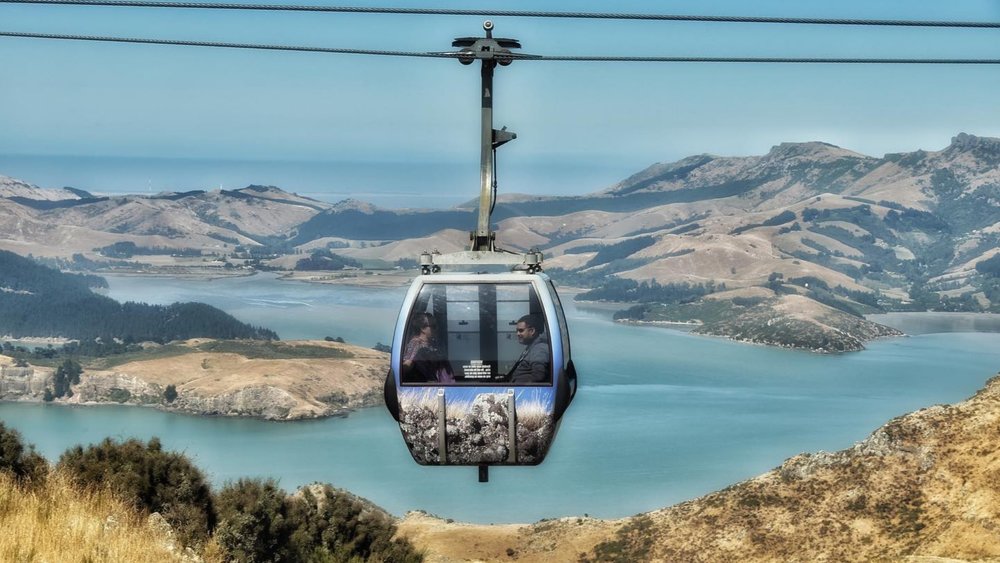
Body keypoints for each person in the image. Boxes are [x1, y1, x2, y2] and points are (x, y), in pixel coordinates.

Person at [402, 313, 455, 383]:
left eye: (436, 326)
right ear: (422, 328)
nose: (436, 329)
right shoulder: (416, 342)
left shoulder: (432, 343)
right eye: (433, 326)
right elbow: (407, 364)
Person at [508, 313, 550, 383]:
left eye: (521, 330)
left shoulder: (539, 349)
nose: (517, 334)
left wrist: (517, 384)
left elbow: (539, 376)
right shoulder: (532, 347)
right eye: (517, 331)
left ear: (532, 331)